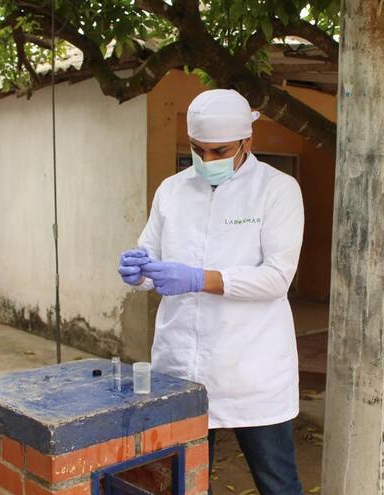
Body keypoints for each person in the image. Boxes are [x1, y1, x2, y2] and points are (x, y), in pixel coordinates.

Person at [117, 89, 305, 495]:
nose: (207, 161)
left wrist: (201, 279)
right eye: (198, 150)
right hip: (182, 368)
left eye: (219, 151)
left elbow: (277, 278)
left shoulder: (278, 189)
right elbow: (152, 256)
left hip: (252, 372)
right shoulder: (172, 189)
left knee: (277, 483)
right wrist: (139, 271)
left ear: (246, 142)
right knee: (181, 482)